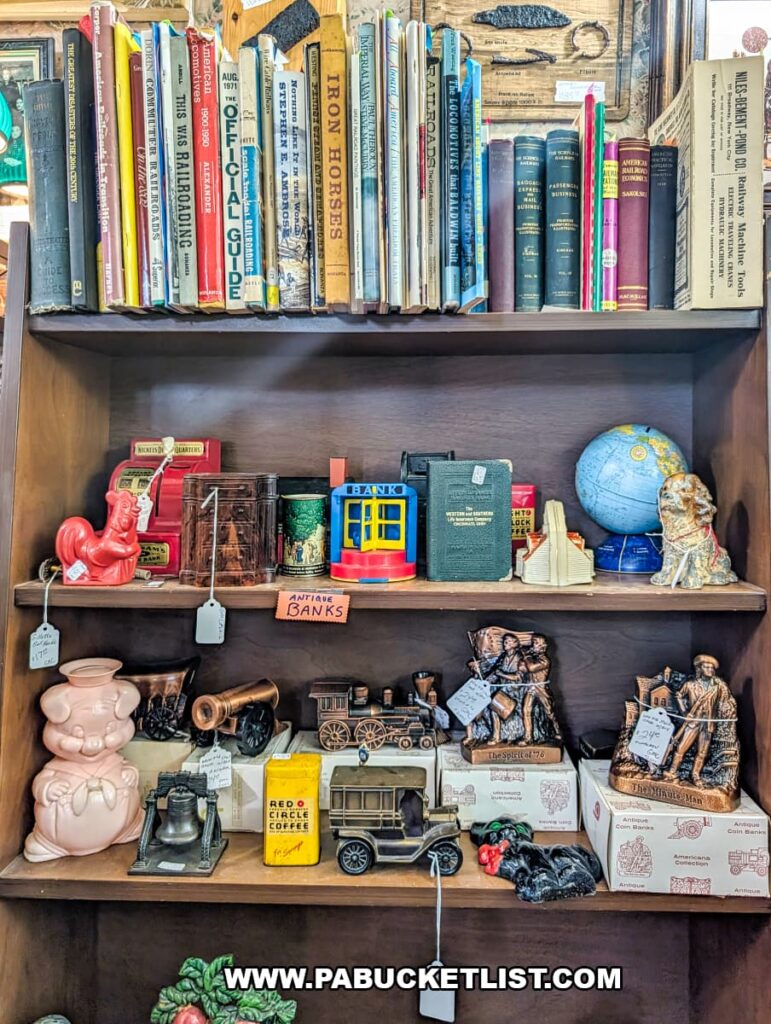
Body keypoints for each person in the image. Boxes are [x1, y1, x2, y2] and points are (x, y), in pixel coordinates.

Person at [664, 655, 733, 786]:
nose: (710, 670)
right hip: (693, 723)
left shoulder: (717, 688)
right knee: (681, 748)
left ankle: (695, 775)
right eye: (707, 667)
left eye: (712, 668)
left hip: (707, 724)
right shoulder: (690, 685)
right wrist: (684, 711)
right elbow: (678, 695)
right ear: (700, 669)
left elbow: (723, 702)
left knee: (702, 753)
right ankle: (672, 771)